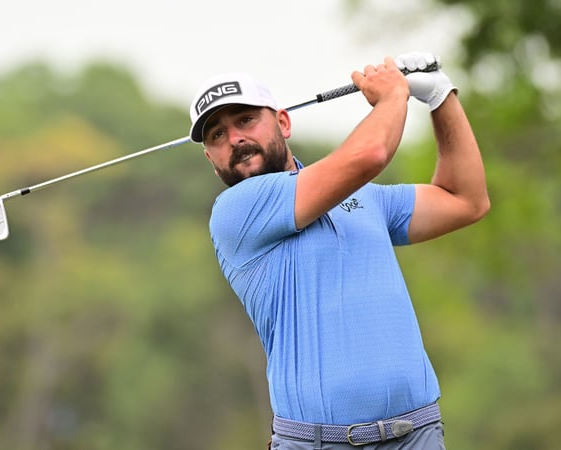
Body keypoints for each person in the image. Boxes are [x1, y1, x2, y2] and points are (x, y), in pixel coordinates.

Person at [187, 52, 489, 449]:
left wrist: (440, 97)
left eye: (245, 120)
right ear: (211, 159)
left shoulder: (366, 200)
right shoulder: (235, 212)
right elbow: (370, 155)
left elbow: (466, 199)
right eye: (217, 135)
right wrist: (393, 95)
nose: (235, 139)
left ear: (283, 121)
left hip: (416, 436)